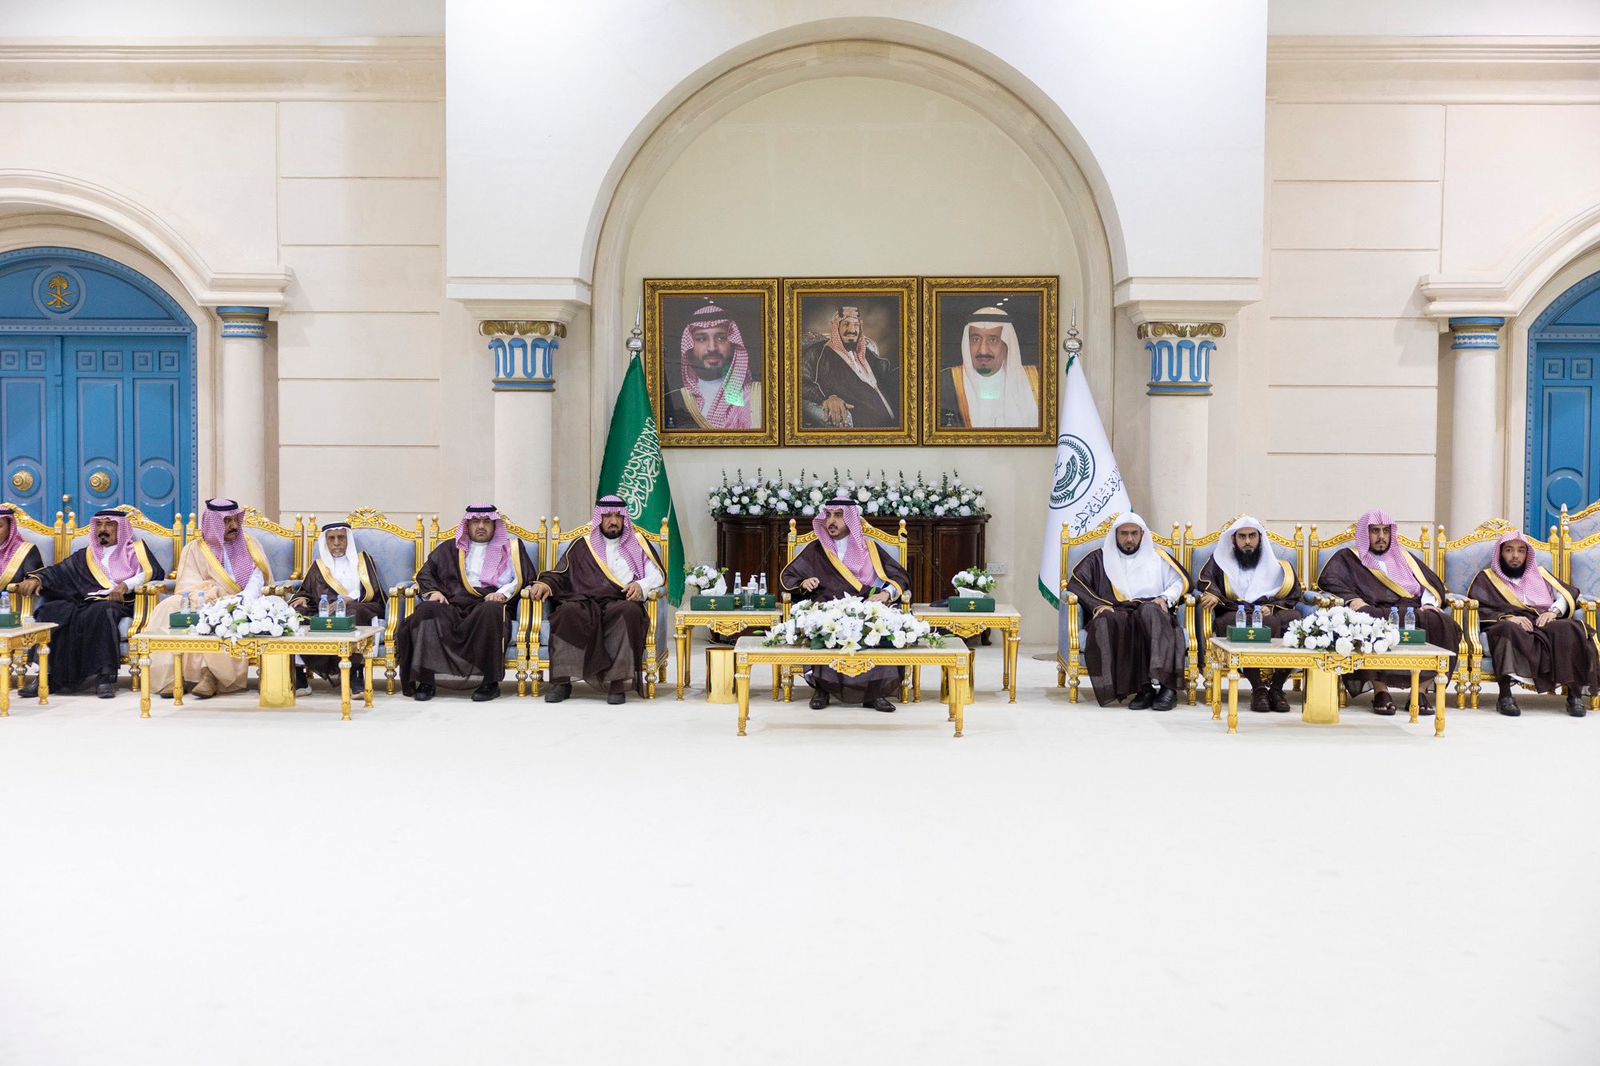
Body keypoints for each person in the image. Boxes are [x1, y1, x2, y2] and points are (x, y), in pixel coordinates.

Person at [1316, 509, 1461, 715]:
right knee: (1365, 620)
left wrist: (1429, 603)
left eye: (1386, 531)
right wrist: (1353, 598)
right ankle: (1380, 691)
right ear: (1365, 534)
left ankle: (1419, 691)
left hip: (1411, 609)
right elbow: (1328, 580)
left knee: (1443, 623)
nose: (1381, 536)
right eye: (1375, 531)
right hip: (1375, 609)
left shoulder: (1405, 557)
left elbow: (1430, 583)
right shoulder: (1349, 558)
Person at [778, 498, 911, 712]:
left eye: (839, 516)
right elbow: (789, 576)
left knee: (876, 625)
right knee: (823, 625)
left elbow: (900, 577)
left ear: (851, 520)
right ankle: (822, 689)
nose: (831, 521)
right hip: (828, 609)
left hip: (864, 608)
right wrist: (803, 583)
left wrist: (886, 593)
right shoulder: (817, 549)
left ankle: (874, 693)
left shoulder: (870, 549)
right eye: (829, 515)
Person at [15, 509, 165, 698]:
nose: (103, 529)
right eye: (99, 524)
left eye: (109, 524)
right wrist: (37, 579)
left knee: (102, 612)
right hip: (84, 600)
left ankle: (104, 677)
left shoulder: (136, 550)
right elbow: (59, 571)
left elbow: (152, 572)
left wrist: (126, 585)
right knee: (51, 611)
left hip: (117, 602)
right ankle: (45, 676)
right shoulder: (86, 554)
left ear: (121, 528)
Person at [530, 496, 664, 704]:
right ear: (599, 518)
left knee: (629, 612)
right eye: (608, 516)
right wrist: (546, 584)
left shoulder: (637, 544)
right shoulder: (583, 544)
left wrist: (641, 586)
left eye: (618, 516)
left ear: (625, 518)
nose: (613, 521)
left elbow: (657, 575)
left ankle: (617, 683)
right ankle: (562, 682)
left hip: (620, 601)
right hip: (585, 601)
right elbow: (561, 573)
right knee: (566, 612)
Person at [397, 504, 533, 703]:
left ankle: (489, 683)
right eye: (475, 521)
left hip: (488, 601)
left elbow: (524, 578)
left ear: (495, 525)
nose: (481, 526)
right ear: (467, 525)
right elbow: (425, 574)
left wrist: (502, 594)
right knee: (426, 610)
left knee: (491, 612)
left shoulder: (511, 549)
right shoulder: (449, 548)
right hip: (452, 602)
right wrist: (434, 592)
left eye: (486, 522)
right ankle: (426, 681)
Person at [146, 499, 274, 699]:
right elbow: (187, 584)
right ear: (213, 523)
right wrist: (208, 595)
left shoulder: (250, 544)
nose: (233, 526)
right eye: (227, 521)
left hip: (237, 599)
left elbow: (257, 578)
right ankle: (174, 675)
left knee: (223, 613)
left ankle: (211, 675)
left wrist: (240, 599)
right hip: (201, 598)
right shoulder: (194, 549)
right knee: (168, 606)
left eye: (235, 520)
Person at [1067, 513, 1190, 711]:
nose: (1129, 538)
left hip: (1150, 609)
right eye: (1124, 533)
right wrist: (1097, 605)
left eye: (1134, 533)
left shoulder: (1157, 557)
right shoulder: (1099, 558)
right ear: (1115, 535)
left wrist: (1165, 598)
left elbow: (1179, 582)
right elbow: (1076, 583)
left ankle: (1168, 688)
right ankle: (1143, 689)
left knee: (1149, 613)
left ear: (1142, 534)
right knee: (1105, 621)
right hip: (1118, 610)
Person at [1467, 530, 1597, 717]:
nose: (1515, 556)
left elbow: (1568, 594)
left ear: (1527, 554)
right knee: (1505, 629)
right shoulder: (1487, 578)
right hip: (1510, 622)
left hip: (1542, 621)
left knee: (1568, 628)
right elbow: (1479, 605)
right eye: (1509, 550)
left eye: (1521, 551)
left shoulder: (1541, 574)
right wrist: (1508, 617)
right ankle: (1505, 696)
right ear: (1500, 554)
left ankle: (1574, 695)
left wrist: (1553, 612)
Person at [1196, 515, 1303, 712]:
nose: (1247, 541)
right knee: (1232, 621)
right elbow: (1206, 582)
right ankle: (1258, 689)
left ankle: (1277, 688)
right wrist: (1212, 594)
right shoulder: (1220, 561)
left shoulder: (1277, 566)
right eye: (1242, 536)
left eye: (1252, 536)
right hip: (1235, 610)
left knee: (1294, 620)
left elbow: (1294, 594)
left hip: (1268, 610)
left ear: (1260, 538)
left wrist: (1273, 606)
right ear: (1233, 539)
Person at [289, 522, 385, 690]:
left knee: (353, 612)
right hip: (325, 609)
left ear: (348, 540)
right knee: (297, 613)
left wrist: (349, 599)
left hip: (358, 605)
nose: (336, 543)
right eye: (331, 538)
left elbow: (372, 590)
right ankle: (299, 676)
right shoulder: (319, 566)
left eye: (341, 537)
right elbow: (306, 591)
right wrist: (302, 598)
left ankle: (355, 673)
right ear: (325, 541)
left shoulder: (363, 561)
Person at [937, 305, 1041, 429]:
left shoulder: (1036, 381)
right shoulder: (945, 383)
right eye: (975, 339)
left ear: (1006, 345)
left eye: (993, 340)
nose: (983, 350)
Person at [663, 302, 761, 431]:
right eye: (701, 339)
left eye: (721, 338)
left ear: (733, 345)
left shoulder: (755, 397)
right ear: (690, 348)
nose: (712, 348)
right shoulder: (675, 399)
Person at [800, 306, 899, 429]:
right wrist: (827, 398)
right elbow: (799, 381)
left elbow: (887, 374)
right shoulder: (817, 352)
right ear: (836, 327)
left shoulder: (865, 353)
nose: (852, 330)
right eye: (846, 324)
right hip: (863, 427)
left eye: (856, 325)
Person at [0, 504, 45, 599]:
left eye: (0, 526)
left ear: (10, 528)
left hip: (12, 606)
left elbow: (38, 577)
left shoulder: (25, 551)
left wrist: (33, 580)